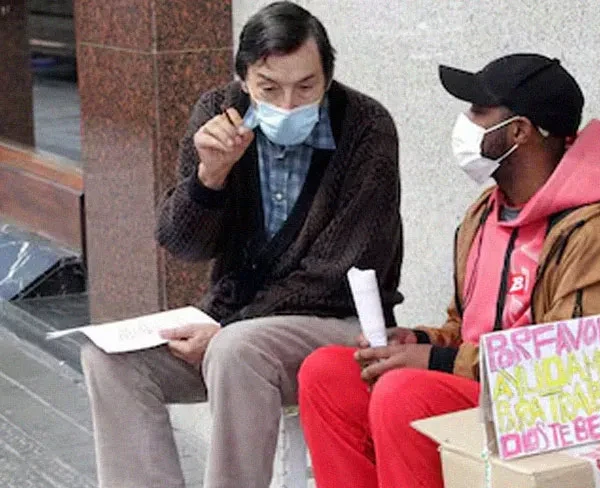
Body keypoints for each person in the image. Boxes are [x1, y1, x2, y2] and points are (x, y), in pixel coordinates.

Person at [297, 53, 600, 488]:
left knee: (403, 395)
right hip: (489, 396)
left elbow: (571, 369)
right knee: (327, 373)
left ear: (520, 131)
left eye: (478, 111)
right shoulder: (484, 214)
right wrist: (422, 341)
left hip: (565, 417)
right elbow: (466, 328)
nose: (464, 123)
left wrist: (438, 362)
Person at [80, 2, 403, 487]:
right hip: (236, 321)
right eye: (269, 88)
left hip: (338, 323)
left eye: (306, 87)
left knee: (235, 349)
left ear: (328, 78)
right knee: (109, 359)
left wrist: (226, 324)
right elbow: (181, 243)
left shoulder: (366, 127)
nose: (289, 105)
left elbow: (338, 270)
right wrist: (209, 177)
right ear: (244, 79)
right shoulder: (217, 113)